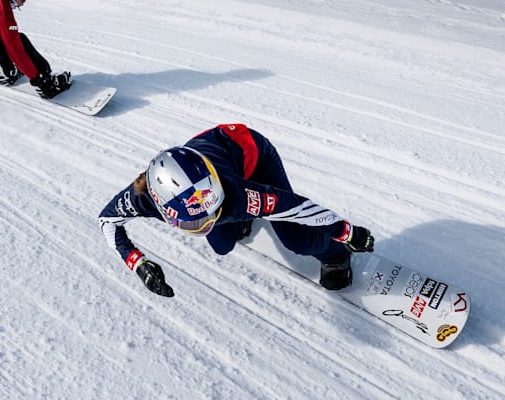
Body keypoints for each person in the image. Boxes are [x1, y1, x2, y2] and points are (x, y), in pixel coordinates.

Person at [98, 123, 375, 297]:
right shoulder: (142, 198)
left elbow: (298, 209)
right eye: (198, 222)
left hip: (254, 155)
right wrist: (138, 263)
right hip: (220, 163)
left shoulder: (237, 195)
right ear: (162, 208)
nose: (210, 220)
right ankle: (241, 221)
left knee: (298, 240)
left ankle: (335, 254)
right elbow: (106, 221)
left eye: (214, 210)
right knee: (222, 244)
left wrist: (347, 234)